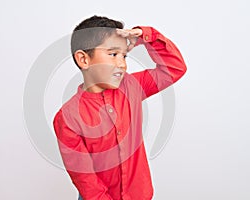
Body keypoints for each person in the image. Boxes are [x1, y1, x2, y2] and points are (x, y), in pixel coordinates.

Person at [53, 15, 187, 200]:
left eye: (124, 55)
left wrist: (146, 36)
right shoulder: (67, 118)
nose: (122, 64)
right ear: (84, 60)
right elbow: (85, 179)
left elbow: (174, 68)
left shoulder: (132, 86)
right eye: (113, 54)